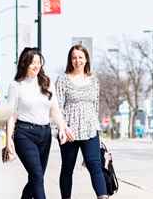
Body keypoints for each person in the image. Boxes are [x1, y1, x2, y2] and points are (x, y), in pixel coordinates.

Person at [6, 47, 73, 199]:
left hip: (45, 134)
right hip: (24, 134)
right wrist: (8, 139)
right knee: (37, 176)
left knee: (36, 177)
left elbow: (54, 109)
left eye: (38, 62)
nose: (36, 66)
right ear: (24, 64)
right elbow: (11, 114)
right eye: (32, 62)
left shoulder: (46, 83)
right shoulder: (16, 86)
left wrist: (62, 127)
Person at [56, 44, 109, 199]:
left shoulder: (94, 80)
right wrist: (63, 128)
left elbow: (95, 105)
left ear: (86, 60)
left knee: (95, 165)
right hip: (69, 131)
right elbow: (57, 107)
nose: (77, 60)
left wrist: (98, 130)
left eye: (80, 57)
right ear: (70, 60)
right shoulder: (63, 80)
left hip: (90, 129)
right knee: (67, 168)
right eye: (74, 57)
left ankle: (103, 196)